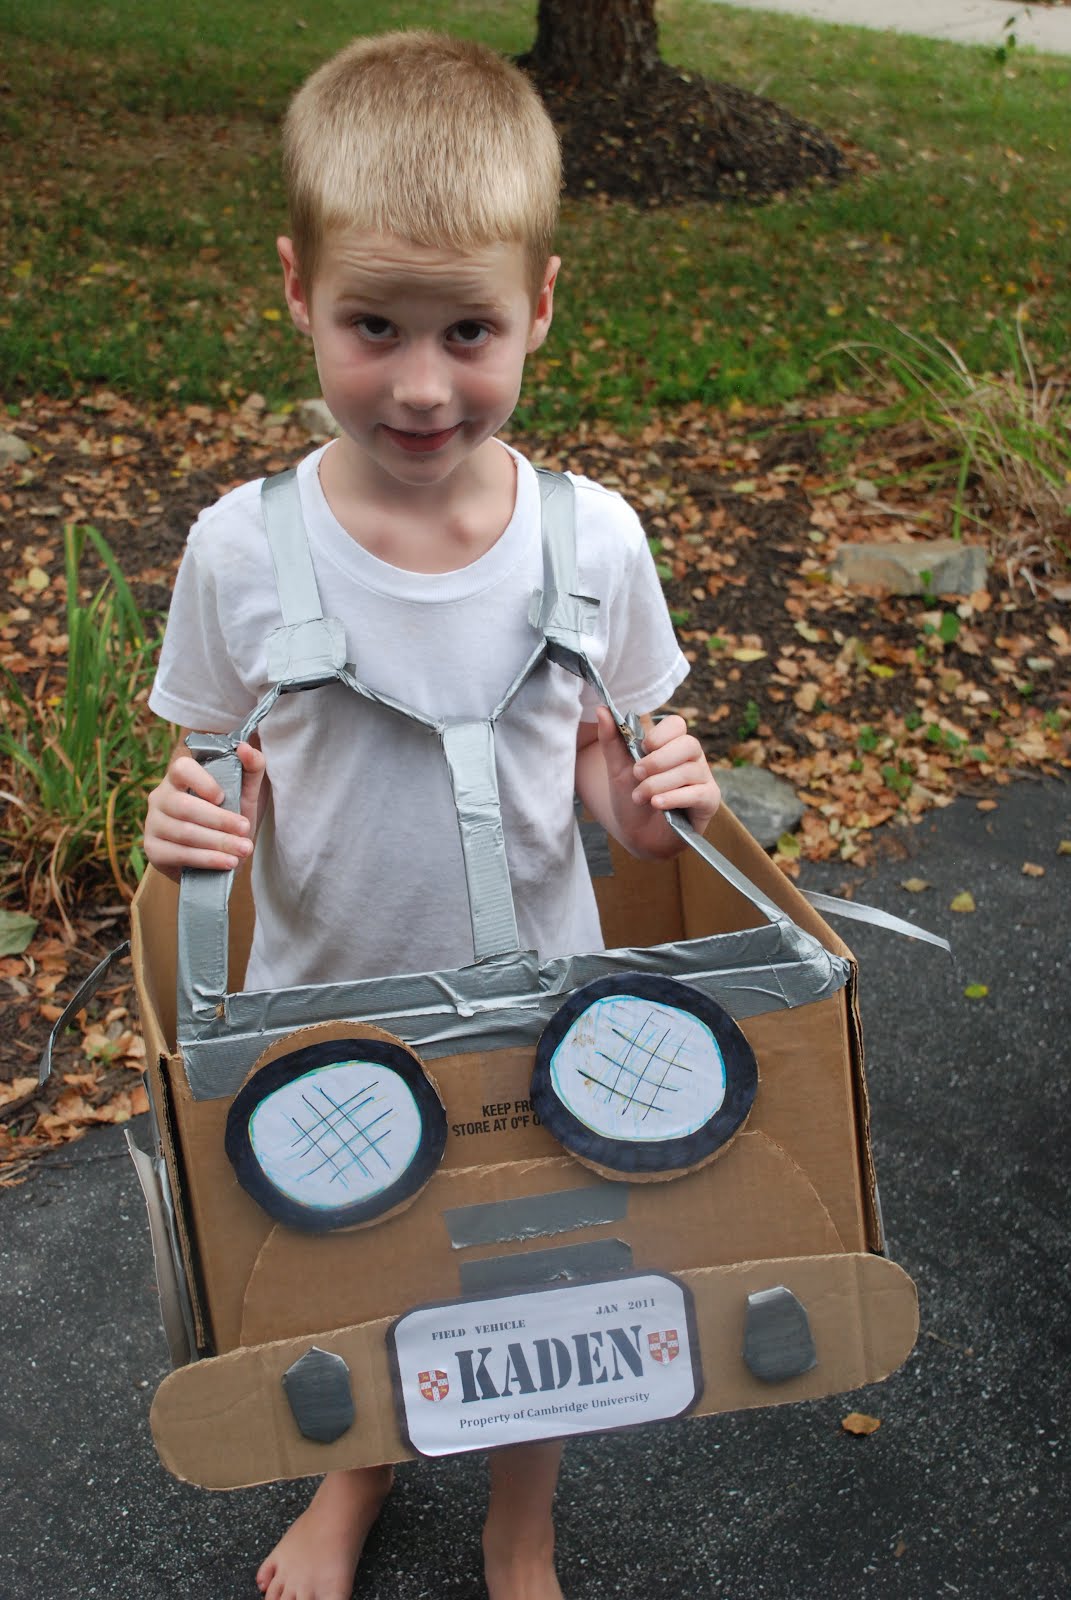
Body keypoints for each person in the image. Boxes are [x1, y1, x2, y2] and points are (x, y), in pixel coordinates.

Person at [143, 31, 720, 1600]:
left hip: (539, 1000)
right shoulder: (244, 553)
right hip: (329, 1004)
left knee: (537, 1272)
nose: (418, 383)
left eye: (468, 329)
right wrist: (183, 824)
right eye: (370, 327)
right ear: (296, 293)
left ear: (540, 303)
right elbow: (205, 768)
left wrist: (652, 802)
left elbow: (620, 794)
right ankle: (354, 1475)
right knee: (355, 1263)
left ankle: (518, 1519)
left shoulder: (590, 541)